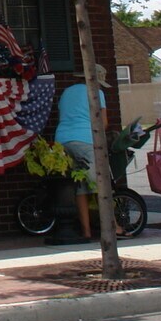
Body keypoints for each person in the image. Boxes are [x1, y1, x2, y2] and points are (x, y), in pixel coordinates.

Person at [51, 76, 107, 242]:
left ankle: (86, 231)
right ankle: (113, 227)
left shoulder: (67, 92)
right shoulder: (97, 92)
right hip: (85, 140)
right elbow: (103, 123)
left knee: (80, 186)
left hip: (62, 141)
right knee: (101, 184)